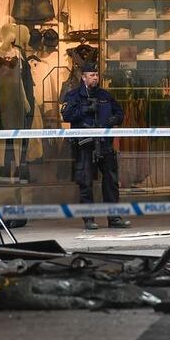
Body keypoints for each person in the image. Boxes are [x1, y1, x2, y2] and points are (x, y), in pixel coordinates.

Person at [61, 62, 131, 230]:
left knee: (111, 182)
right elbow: (67, 116)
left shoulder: (105, 96)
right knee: (85, 182)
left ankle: (114, 218)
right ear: (83, 77)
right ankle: (89, 219)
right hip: (84, 144)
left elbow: (120, 113)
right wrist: (85, 110)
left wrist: (114, 120)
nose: (95, 77)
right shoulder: (73, 96)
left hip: (105, 143)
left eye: (97, 75)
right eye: (92, 75)